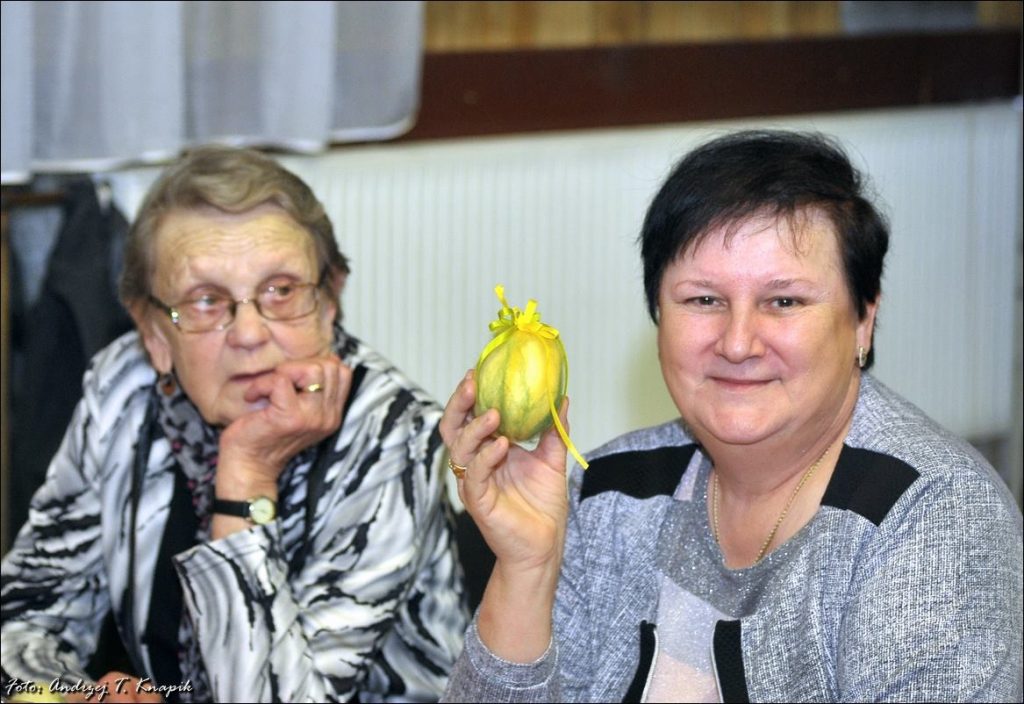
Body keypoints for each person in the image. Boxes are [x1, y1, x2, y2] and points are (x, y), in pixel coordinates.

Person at [439, 130, 1023, 702]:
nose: (738, 343)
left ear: (863, 320)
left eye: (784, 301)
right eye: (704, 300)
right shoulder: (611, 492)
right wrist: (527, 569)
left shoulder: (933, 516)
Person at [1, 146, 467, 702]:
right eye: (206, 301)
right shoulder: (125, 385)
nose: (249, 333)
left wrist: (246, 477)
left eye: (281, 290)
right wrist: (75, 695)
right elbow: (27, 612)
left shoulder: (393, 433)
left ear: (329, 303)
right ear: (154, 334)